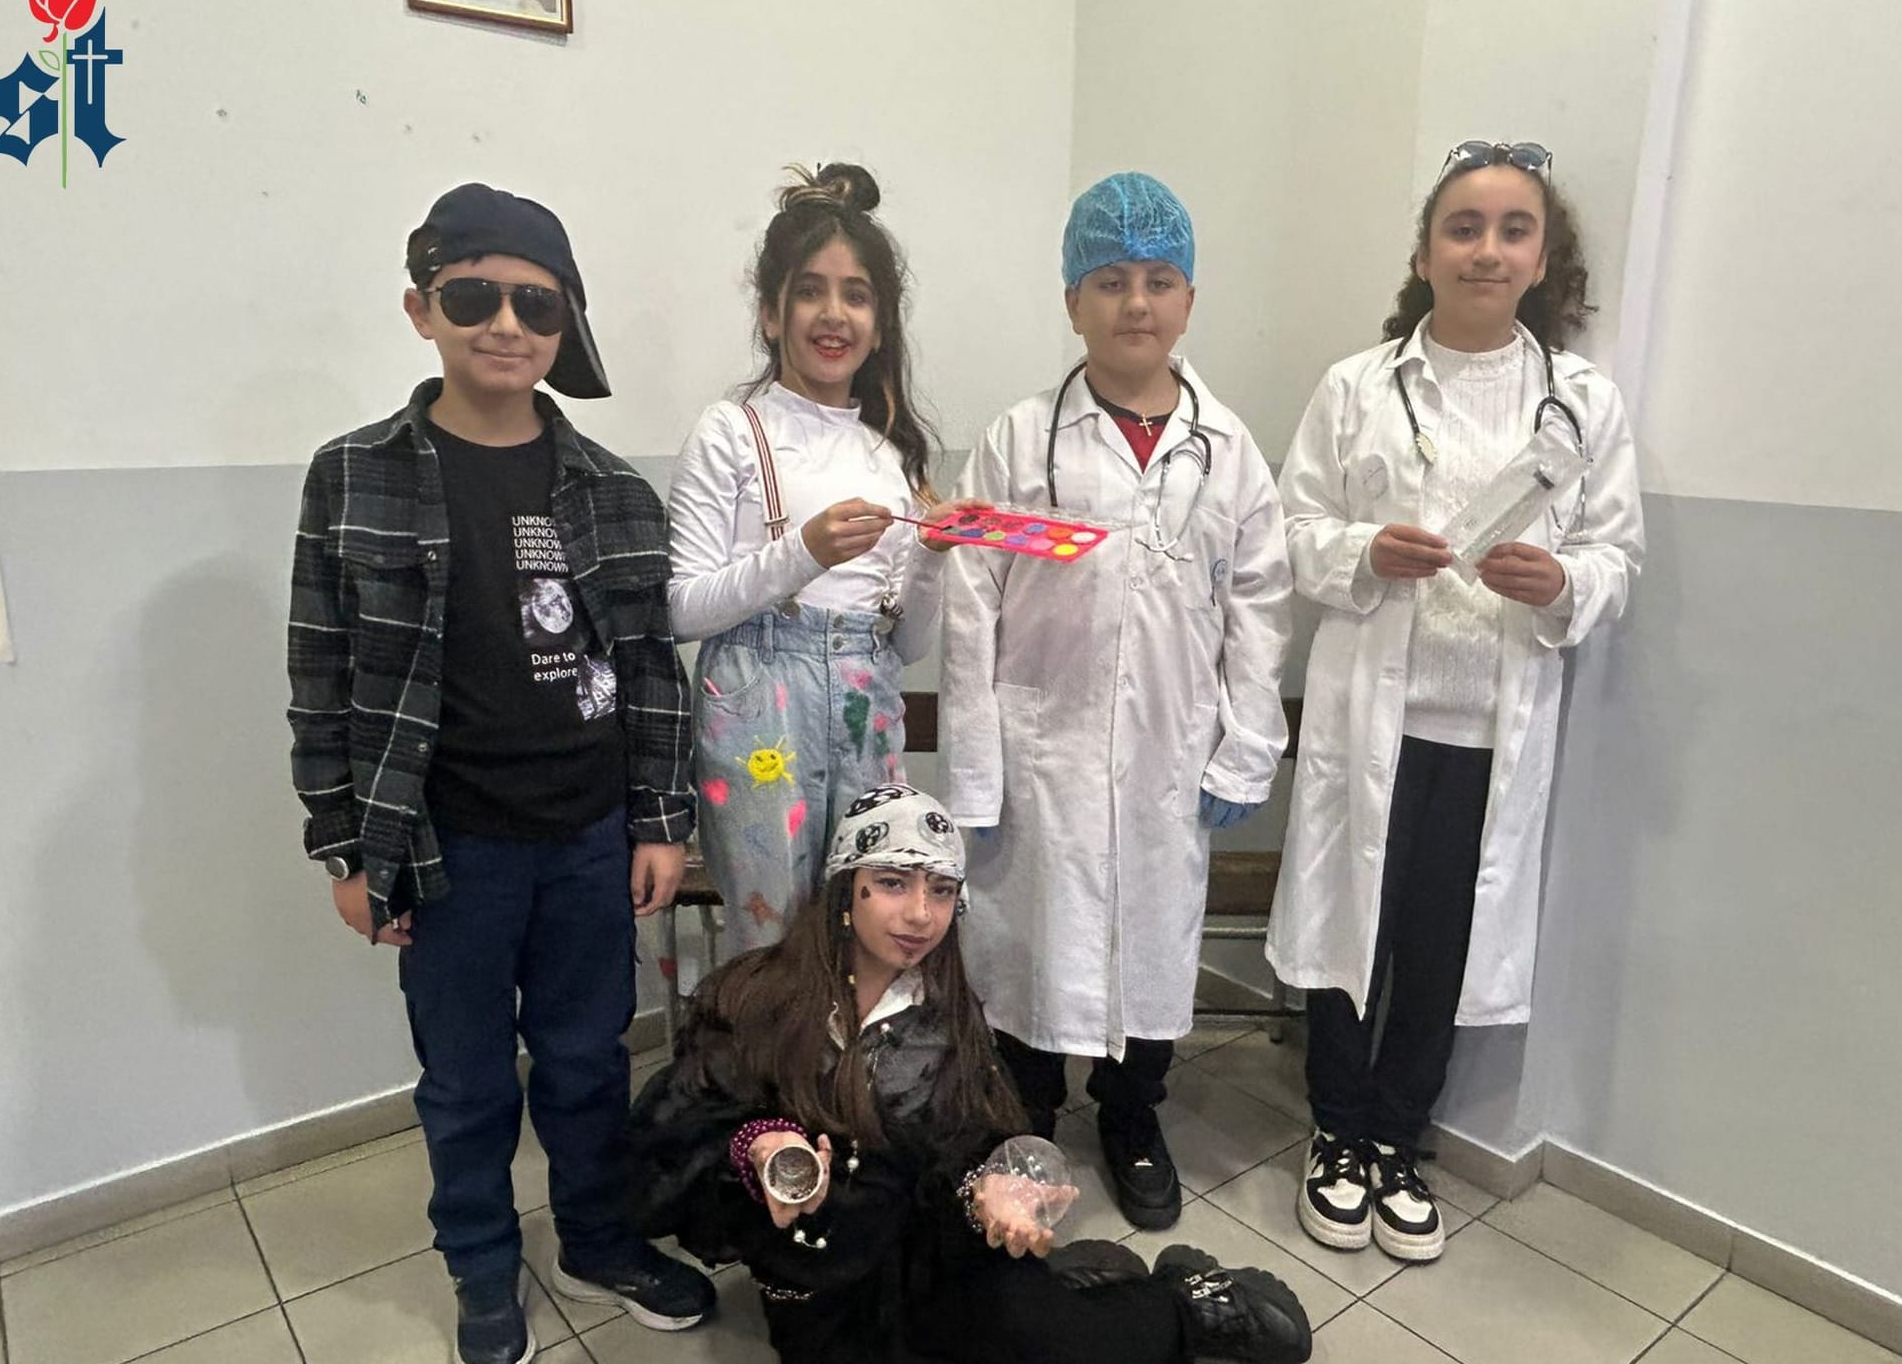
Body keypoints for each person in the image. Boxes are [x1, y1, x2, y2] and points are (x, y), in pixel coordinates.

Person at [286, 182, 715, 1364]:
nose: (505, 324)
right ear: (421, 308)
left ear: (565, 322)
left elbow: (649, 669)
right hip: (444, 850)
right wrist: (344, 849)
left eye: (536, 303)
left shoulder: (612, 490)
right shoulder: (354, 476)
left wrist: (660, 821)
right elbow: (319, 674)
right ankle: (480, 1263)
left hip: (588, 836)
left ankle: (595, 1240)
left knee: (586, 1062)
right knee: (467, 1080)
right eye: (472, 296)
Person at [627, 785, 1313, 1364]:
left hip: (937, 1264)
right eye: (892, 883)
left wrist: (988, 1190)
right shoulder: (756, 997)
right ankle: (1083, 1283)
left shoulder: (948, 1017)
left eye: (941, 890)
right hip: (827, 1296)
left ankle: (1176, 1302)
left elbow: (970, 1151)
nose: (920, 914)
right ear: (845, 890)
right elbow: (673, 1141)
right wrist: (757, 1146)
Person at [1268, 141, 1645, 1261]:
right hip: (1369, 719)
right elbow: (1292, 532)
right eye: (1463, 227)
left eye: (1512, 230)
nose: (1487, 250)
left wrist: (1561, 581)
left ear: (1542, 257)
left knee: (1439, 942)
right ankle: (1335, 1132)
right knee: (1350, 931)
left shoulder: (1581, 403)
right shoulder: (1356, 387)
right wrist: (1365, 552)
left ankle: (1398, 1138)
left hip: (1489, 731)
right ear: (1426, 251)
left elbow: (1617, 557)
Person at [939, 173, 1292, 1228]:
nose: (1135, 302)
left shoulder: (1230, 454)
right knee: (1027, 949)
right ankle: (1026, 1119)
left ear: (1188, 300)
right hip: (1039, 752)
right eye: (1108, 280)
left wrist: (1244, 748)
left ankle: (1133, 1117)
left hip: (1164, 758)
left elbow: (1259, 607)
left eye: (1157, 280)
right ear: (1071, 301)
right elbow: (970, 607)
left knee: (1148, 946)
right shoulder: (1018, 441)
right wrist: (974, 771)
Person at [667, 162, 971, 969]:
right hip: (759, 701)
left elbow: (906, 646)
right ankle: (766, 1060)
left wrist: (932, 561)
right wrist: (801, 553)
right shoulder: (733, 431)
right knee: (770, 937)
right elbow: (682, 608)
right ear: (771, 313)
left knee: (863, 929)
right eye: (810, 291)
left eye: (857, 295)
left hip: (866, 704)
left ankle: (850, 1057)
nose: (834, 314)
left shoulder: (889, 456)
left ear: (881, 322)